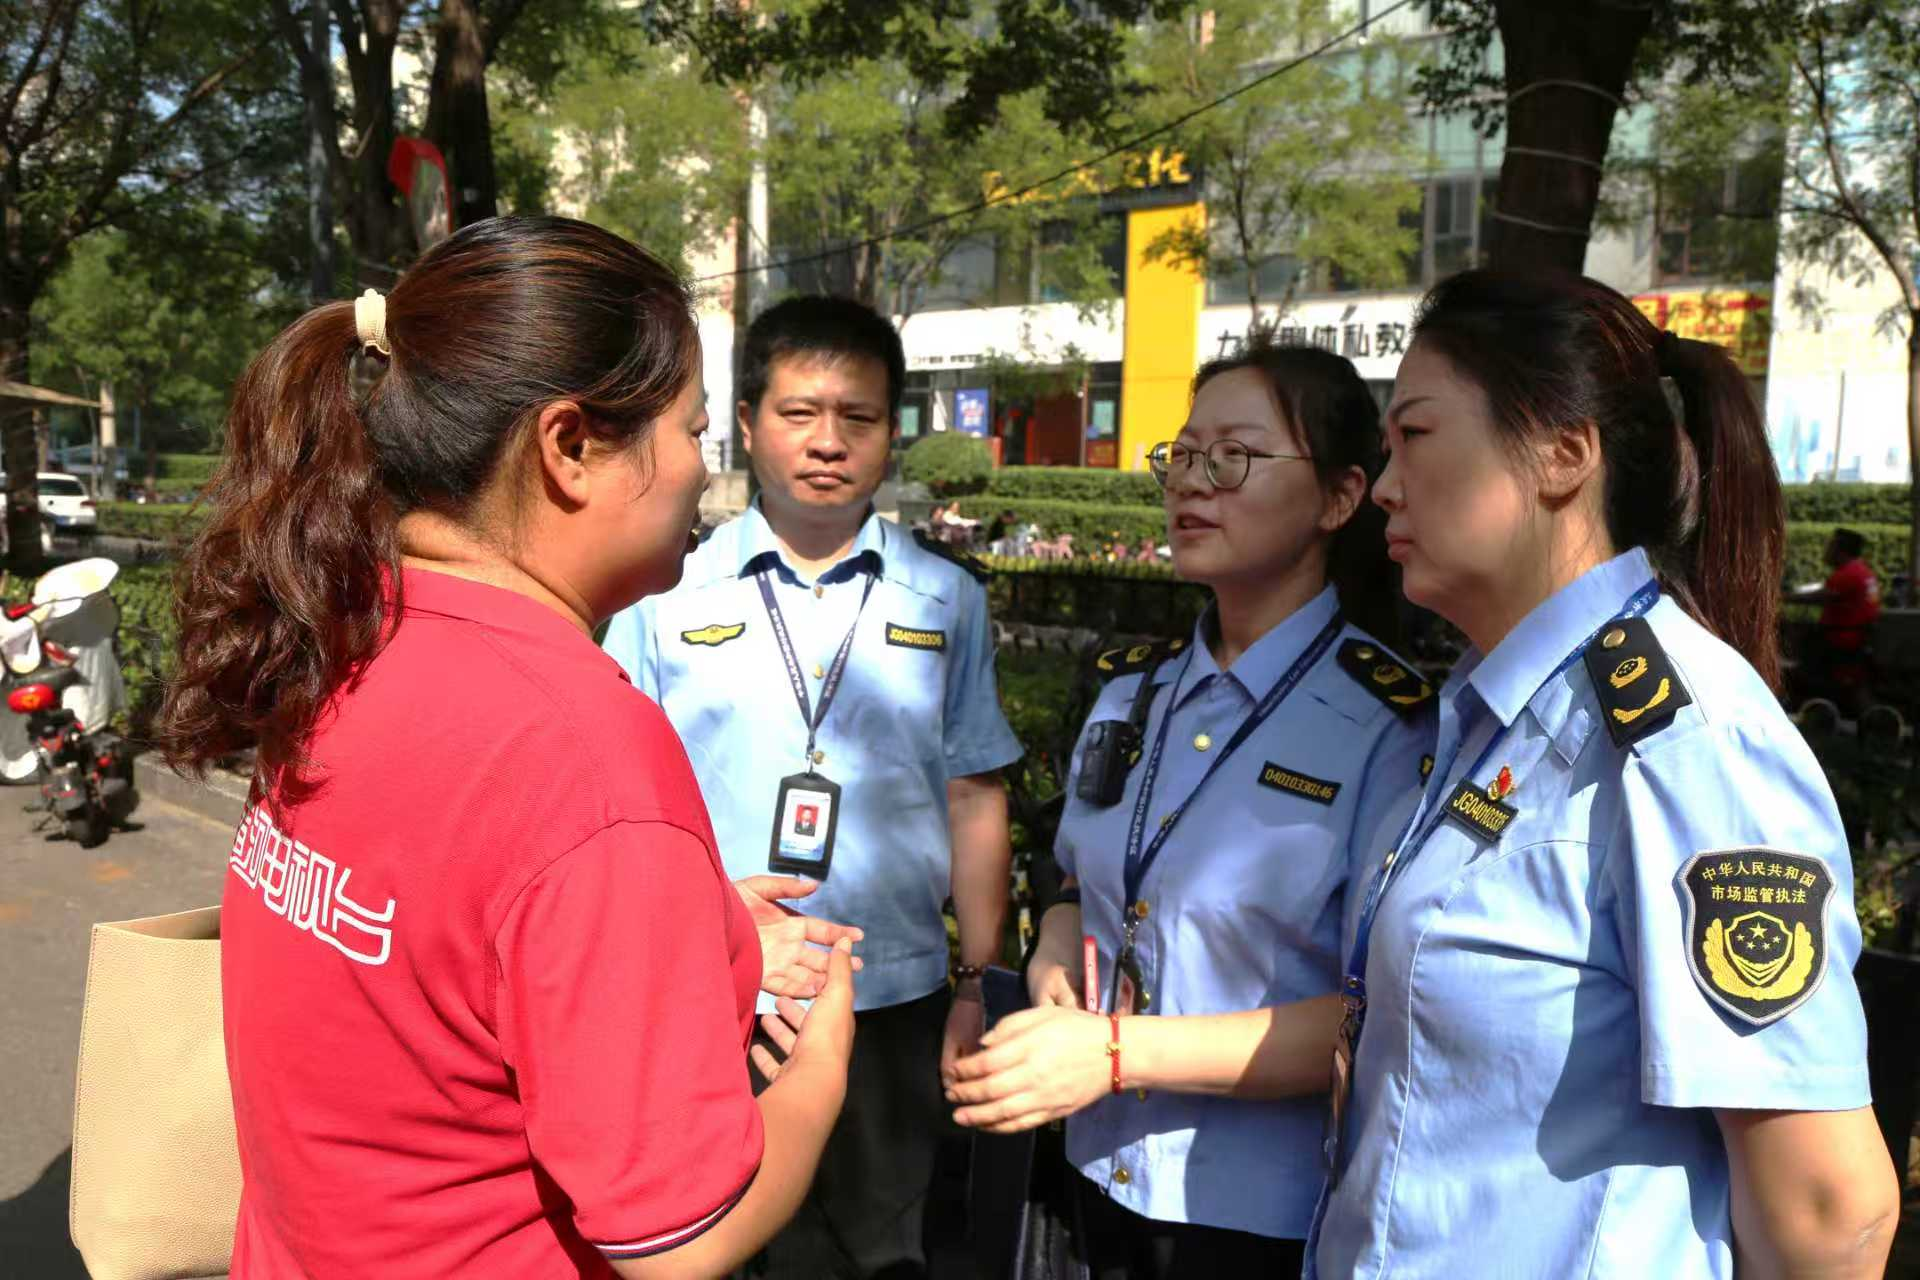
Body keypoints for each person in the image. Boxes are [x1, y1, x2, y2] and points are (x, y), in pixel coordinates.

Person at [155, 216, 858, 1278]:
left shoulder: (350, 634)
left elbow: (443, 973)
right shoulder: (582, 748)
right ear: (571, 447)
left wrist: (694, 930)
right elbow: (681, 1240)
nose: (699, 478)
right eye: (691, 433)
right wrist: (821, 1072)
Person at [1310, 270, 1899, 1278]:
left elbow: (1828, 1208)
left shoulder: (1686, 741)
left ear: (1564, 454)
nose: (1388, 486)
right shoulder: (1497, 713)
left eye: (1414, 434)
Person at [946, 346, 1433, 1277]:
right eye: (1183, 456)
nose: (1192, 486)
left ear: (1339, 499)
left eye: (1234, 459)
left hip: (1259, 1212)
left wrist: (1118, 1054)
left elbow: (1383, 1011)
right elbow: (1076, 870)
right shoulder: (1132, 694)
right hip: (1090, 1174)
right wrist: (1054, 938)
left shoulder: (1391, 727)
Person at [601, 295, 1024, 1280]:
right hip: (717, 992)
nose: (827, 441)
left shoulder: (946, 599)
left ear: (891, 434)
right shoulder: (666, 595)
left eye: (858, 416)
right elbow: (620, 801)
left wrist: (978, 981)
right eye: (798, 412)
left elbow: (974, 793)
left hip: (895, 995)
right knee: (716, 1242)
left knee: (888, 1249)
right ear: (747, 422)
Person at [1787, 527, 1882, 709]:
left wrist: (1781, 597)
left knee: (1795, 654)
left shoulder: (1848, 574)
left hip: (1841, 639)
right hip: (1857, 637)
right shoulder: (1863, 571)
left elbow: (1821, 597)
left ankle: (1800, 707)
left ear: (1841, 550)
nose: (1826, 550)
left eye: (1830, 546)